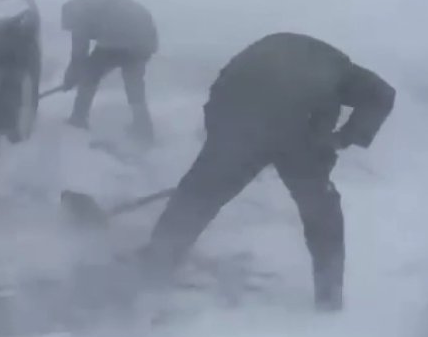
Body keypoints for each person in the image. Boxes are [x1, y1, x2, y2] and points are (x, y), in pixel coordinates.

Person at [140, 32, 396, 312]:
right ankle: (329, 296)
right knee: (321, 210)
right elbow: (382, 94)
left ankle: (152, 274)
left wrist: (222, 145)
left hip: (256, 128)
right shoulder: (337, 70)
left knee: (196, 197)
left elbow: (219, 94)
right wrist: (342, 139)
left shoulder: (277, 60)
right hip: (294, 133)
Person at [59, 0, 158, 144]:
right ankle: (143, 128)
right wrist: (73, 76)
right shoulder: (92, 5)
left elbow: (78, 56)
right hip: (145, 39)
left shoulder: (77, 14)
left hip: (120, 36)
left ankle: (78, 119)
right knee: (134, 84)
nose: (71, 30)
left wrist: (70, 78)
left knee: (90, 74)